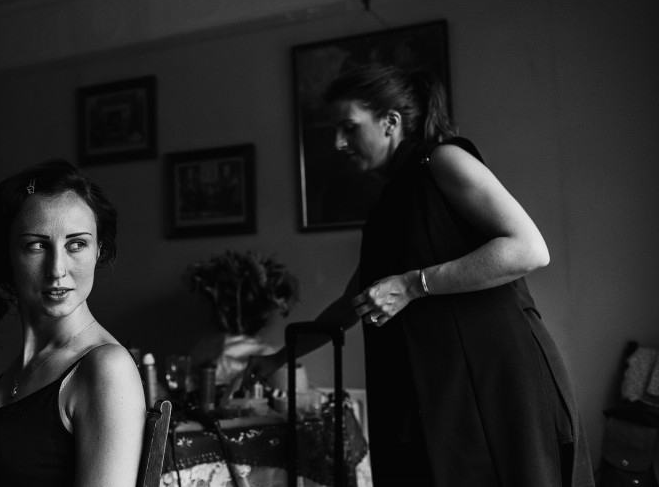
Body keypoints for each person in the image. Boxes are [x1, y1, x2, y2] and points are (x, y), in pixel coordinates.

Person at [244, 64, 594, 486]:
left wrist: (413, 284)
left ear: (391, 122)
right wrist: (276, 360)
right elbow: (352, 303)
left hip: (496, 385)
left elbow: (528, 249)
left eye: (349, 128)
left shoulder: (444, 160)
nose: (338, 143)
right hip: (435, 395)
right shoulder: (389, 200)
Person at [0, 159, 146, 486]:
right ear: (8, 254)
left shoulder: (106, 367)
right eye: (37, 245)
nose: (57, 269)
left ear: (98, 250)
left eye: (76, 244)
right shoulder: (25, 366)